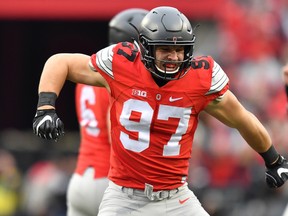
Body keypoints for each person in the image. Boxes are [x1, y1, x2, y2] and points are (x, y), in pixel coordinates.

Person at [32, 6, 288, 216]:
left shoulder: (201, 78)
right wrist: (46, 106)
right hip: (124, 198)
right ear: (145, 48)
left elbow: (242, 119)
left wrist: (273, 159)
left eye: (180, 49)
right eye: (165, 49)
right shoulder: (122, 64)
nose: (174, 57)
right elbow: (60, 61)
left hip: (177, 197)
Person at [67, 8, 148, 216]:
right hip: (110, 181)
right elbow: (117, 135)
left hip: (81, 178)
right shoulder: (119, 77)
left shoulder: (91, 71)